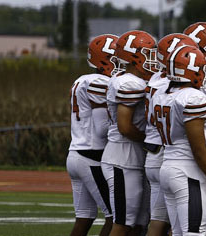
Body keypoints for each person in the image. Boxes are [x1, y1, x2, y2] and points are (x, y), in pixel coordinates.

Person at [153, 45, 206, 235]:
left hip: (168, 166)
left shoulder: (160, 94)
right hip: (188, 172)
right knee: (194, 230)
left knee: (179, 231)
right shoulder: (193, 97)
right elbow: (198, 148)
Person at [102, 30, 158, 236]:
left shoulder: (131, 80)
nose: (153, 59)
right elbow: (125, 127)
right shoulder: (129, 83)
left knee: (138, 224)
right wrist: (151, 140)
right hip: (122, 159)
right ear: (134, 57)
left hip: (132, 158)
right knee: (124, 222)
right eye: (148, 53)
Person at [68, 34, 118, 236]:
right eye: (117, 59)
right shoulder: (99, 82)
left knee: (85, 217)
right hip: (92, 156)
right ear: (106, 60)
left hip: (76, 153)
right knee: (115, 218)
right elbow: (101, 128)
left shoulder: (81, 80)